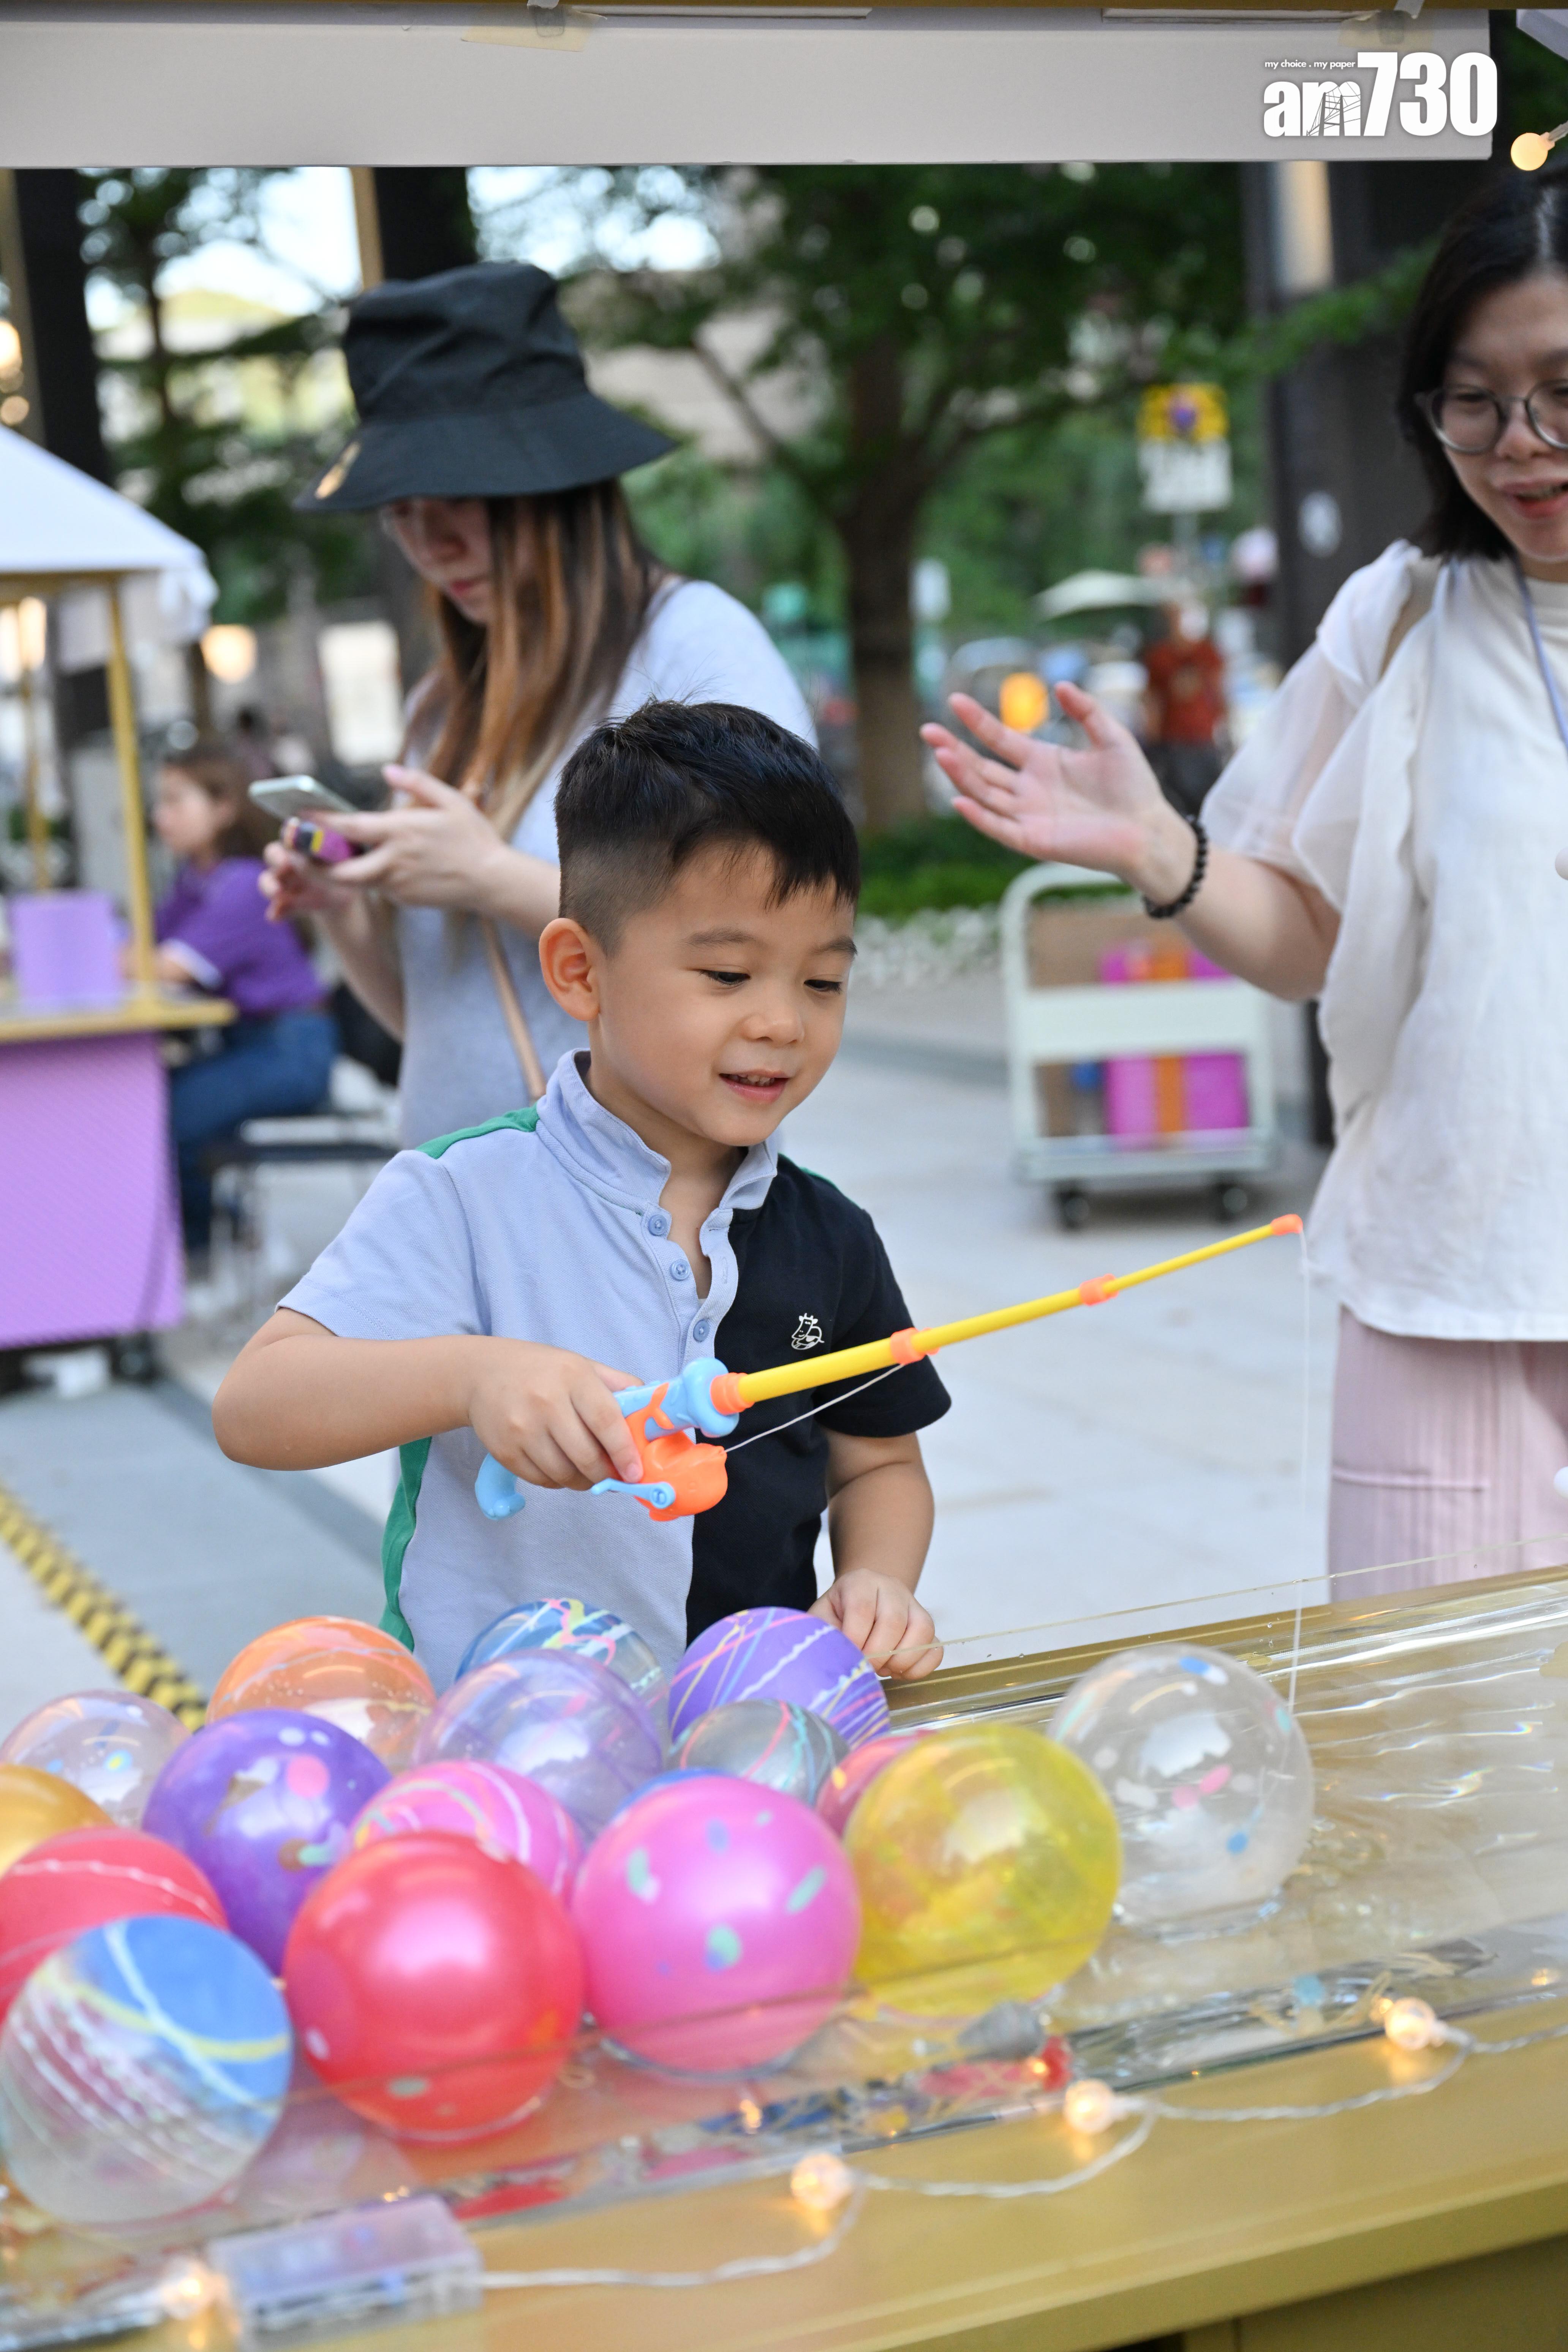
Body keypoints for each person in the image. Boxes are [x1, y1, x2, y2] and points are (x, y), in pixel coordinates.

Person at [924, 167, 1568, 1596]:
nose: (1520, 446)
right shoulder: (1399, 613)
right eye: (1474, 399)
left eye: (1561, 391)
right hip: (1445, 1275)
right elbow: (1303, 938)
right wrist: (1166, 852)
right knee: (1445, 1767)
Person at [215, 702, 947, 1687]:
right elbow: (257, 1405)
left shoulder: (833, 1237)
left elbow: (880, 1464)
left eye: (822, 983)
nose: (782, 1022)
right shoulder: (463, 1194)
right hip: (499, 1758)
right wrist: (471, 1377)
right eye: (728, 973)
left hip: (740, 1761)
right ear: (579, 971)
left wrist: (876, 1583)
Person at [264, 262, 816, 1147]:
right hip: (452, 1220)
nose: (429, 541)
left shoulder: (691, 646)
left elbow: (771, 927)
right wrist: (345, 905)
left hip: (633, 1220)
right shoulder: (442, 707)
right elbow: (435, 1023)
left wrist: (489, 875)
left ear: (553, 482)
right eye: (401, 510)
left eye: (461, 498)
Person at [151, 745, 337, 1257]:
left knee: (164, 1114)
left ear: (224, 806)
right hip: (253, 1042)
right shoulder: (193, 883)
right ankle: (225, 1236)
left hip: (289, 1049)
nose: (160, 815)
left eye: (175, 800)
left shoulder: (239, 882)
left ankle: (210, 1248)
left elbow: (167, 965)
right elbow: (148, 952)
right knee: (153, 1100)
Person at [1142, 598, 1227, 818]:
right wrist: (1153, 741)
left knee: (1210, 800)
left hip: (1204, 737)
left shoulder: (1206, 652)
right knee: (1184, 801)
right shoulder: (1159, 656)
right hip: (1175, 740)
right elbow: (1153, 701)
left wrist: (1225, 727)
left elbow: (1220, 691)